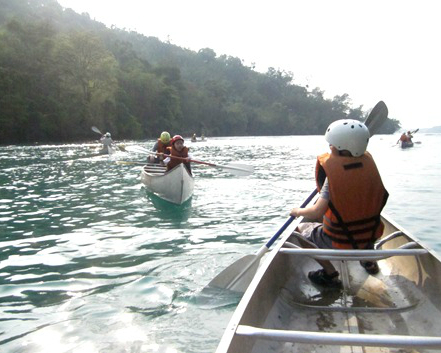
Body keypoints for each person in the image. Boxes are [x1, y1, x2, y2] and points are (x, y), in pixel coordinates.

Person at [290, 119, 389, 288]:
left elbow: (316, 213)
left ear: (337, 147)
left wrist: (298, 211)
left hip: (339, 239)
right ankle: (369, 261)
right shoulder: (369, 165)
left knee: (298, 231)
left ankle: (329, 273)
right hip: (370, 235)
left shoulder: (332, 177)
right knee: (361, 223)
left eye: (331, 145)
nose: (329, 147)